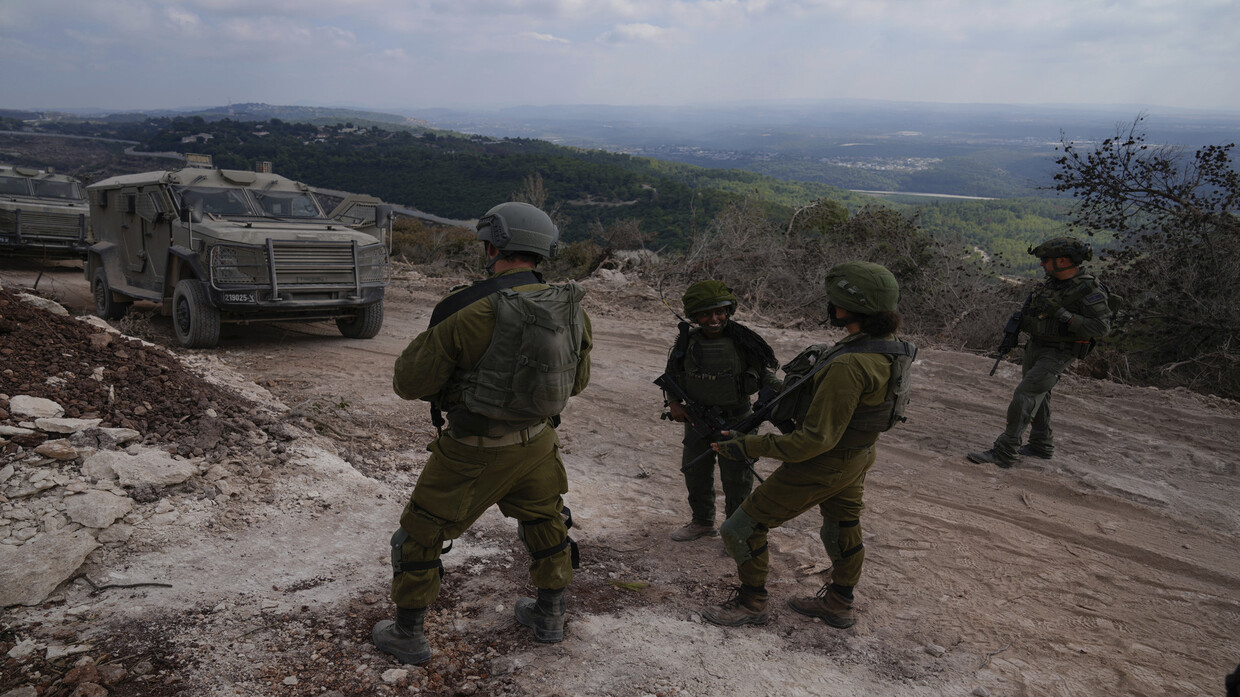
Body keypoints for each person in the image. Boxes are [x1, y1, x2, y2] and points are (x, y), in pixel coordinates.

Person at [372, 202, 592, 665]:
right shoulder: (571, 308)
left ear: (493, 247)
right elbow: (579, 381)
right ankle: (549, 614)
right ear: (542, 252)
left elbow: (409, 383)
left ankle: (408, 633)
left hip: (472, 451)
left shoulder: (469, 311)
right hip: (538, 444)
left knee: (418, 536)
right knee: (546, 522)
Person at [701, 262, 916, 630]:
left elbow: (813, 441)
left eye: (835, 300)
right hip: (858, 455)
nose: (830, 305)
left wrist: (746, 445)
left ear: (850, 306)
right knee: (842, 521)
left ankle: (752, 603)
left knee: (740, 528)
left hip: (825, 461)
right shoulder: (891, 348)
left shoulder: (851, 363)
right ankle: (839, 603)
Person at [968, 237, 1112, 468]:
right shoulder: (1052, 283)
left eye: (1046, 259)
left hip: (1060, 351)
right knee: (1039, 396)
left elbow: (1102, 328)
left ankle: (1005, 451)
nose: (1042, 264)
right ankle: (1040, 444)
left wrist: (1063, 314)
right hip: (1037, 346)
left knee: (1025, 395)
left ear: (1063, 261)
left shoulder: (1088, 289)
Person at [661, 281, 781, 541]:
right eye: (705, 313)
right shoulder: (686, 343)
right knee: (696, 473)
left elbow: (763, 375)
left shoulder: (743, 341)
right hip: (696, 421)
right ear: (695, 316)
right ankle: (702, 522)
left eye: (719, 312)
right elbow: (673, 376)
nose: (714, 319)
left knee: (737, 479)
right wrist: (674, 403)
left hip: (737, 421)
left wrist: (785, 390)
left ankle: (735, 530)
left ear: (728, 310)